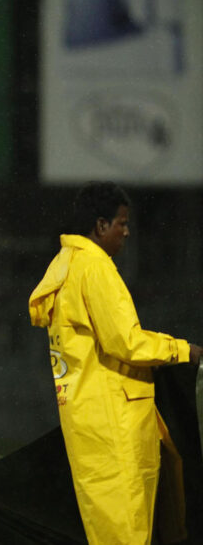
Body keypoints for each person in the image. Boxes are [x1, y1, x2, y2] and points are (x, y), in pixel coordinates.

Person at [28, 182, 202, 545]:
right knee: (126, 531)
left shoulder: (64, 265)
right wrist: (185, 351)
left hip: (87, 421)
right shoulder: (95, 267)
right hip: (115, 425)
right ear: (100, 225)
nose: (127, 231)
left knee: (107, 530)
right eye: (121, 222)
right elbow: (127, 342)